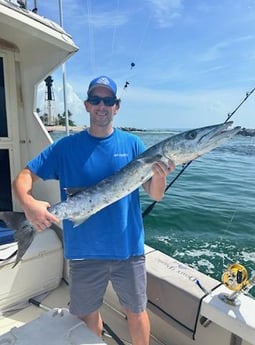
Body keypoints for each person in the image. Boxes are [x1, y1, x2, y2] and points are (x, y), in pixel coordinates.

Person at [13, 75, 174, 345]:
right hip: (84, 252)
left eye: (108, 100)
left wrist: (159, 175)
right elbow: (24, 176)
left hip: (128, 250)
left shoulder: (133, 144)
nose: (102, 105)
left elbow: (155, 194)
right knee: (87, 315)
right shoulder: (65, 147)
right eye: (96, 100)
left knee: (136, 312)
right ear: (87, 105)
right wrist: (29, 205)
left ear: (116, 106)